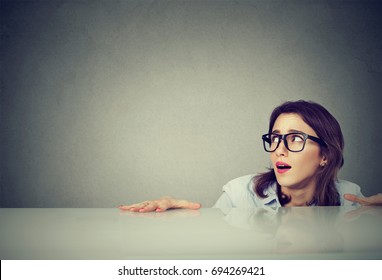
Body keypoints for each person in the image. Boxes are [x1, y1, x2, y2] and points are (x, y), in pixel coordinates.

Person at [119, 100, 382, 212]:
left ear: (325, 155)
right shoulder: (239, 194)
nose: (280, 148)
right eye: (275, 138)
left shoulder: (351, 199)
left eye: (294, 139)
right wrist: (182, 218)